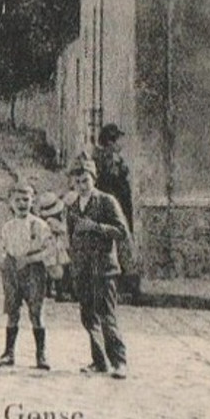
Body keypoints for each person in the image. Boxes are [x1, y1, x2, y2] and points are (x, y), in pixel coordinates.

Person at [68, 156, 131, 379]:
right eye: (77, 182)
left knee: (106, 315)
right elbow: (71, 238)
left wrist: (96, 227)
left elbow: (122, 231)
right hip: (83, 269)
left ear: (93, 179)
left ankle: (119, 361)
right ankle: (99, 361)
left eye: (86, 180)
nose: (82, 186)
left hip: (104, 269)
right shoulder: (73, 207)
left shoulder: (106, 201)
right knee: (88, 316)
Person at [0, 181, 53, 370]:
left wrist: (30, 259)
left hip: (33, 270)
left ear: (32, 201)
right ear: (10, 203)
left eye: (26, 200)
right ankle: (8, 353)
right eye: (17, 200)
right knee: (12, 312)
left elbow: (50, 250)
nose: (22, 204)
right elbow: (2, 249)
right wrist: (4, 263)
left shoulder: (39, 225)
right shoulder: (8, 227)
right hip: (12, 271)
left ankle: (41, 356)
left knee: (36, 312)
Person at [94, 124, 138, 300]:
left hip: (117, 207)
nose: (122, 143)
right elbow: (113, 185)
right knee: (118, 246)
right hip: (115, 208)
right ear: (111, 141)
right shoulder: (109, 159)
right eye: (119, 139)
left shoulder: (108, 158)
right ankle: (120, 289)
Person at [35, 190, 72, 302]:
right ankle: (60, 294)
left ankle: (48, 291)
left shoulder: (43, 222)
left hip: (49, 248)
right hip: (55, 249)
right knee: (58, 271)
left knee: (49, 269)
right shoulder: (53, 222)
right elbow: (62, 230)